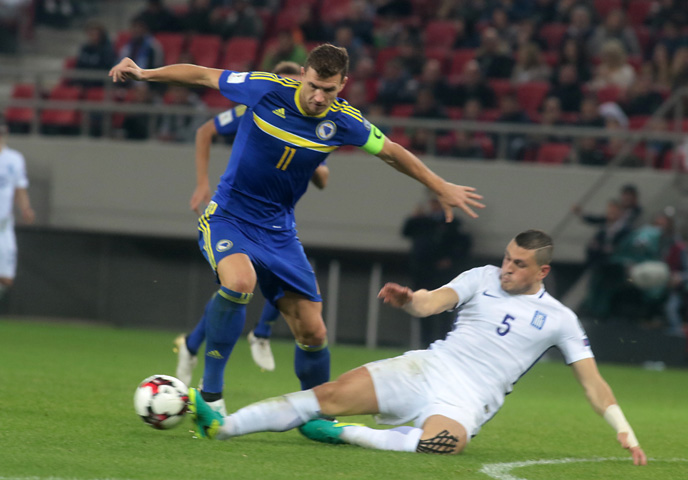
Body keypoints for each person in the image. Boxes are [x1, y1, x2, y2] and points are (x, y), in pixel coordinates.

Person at [109, 44, 484, 416]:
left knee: (313, 332)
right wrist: (145, 73)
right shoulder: (265, 88)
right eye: (314, 86)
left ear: (343, 85)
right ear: (303, 74)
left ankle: (318, 416)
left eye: (329, 90)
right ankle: (211, 397)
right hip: (230, 217)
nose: (319, 97)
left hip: (279, 233)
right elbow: (203, 75)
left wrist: (439, 185)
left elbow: (391, 151)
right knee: (239, 282)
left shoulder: (344, 121)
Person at [186, 230, 648, 466]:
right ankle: (225, 427)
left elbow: (593, 384)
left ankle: (343, 434)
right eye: (507, 258)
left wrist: (623, 428)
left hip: (468, 400)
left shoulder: (561, 319)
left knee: (441, 446)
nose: (507, 268)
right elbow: (432, 303)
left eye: (519, 264)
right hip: (428, 368)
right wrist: (410, 300)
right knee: (327, 396)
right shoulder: (481, 277)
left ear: (542, 272)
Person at [177, 62, 329, 376]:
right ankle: (194, 347)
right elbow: (205, 130)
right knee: (235, 287)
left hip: (277, 221)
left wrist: (306, 159)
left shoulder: (314, 122)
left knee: (286, 282)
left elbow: (324, 178)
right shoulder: (258, 103)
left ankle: (260, 334)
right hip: (239, 216)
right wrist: (202, 182)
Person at [402, 195, 471, 347]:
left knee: (444, 309)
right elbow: (406, 232)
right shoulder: (422, 221)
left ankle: (444, 343)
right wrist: (414, 217)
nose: (434, 206)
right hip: (423, 272)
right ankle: (424, 343)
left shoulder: (453, 223)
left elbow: (463, 245)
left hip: (443, 273)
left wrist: (451, 260)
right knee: (422, 307)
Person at [0, 122, 35, 301]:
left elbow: (19, 188)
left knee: (6, 278)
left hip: (3, 225)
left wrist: (26, 208)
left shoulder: (14, 159)